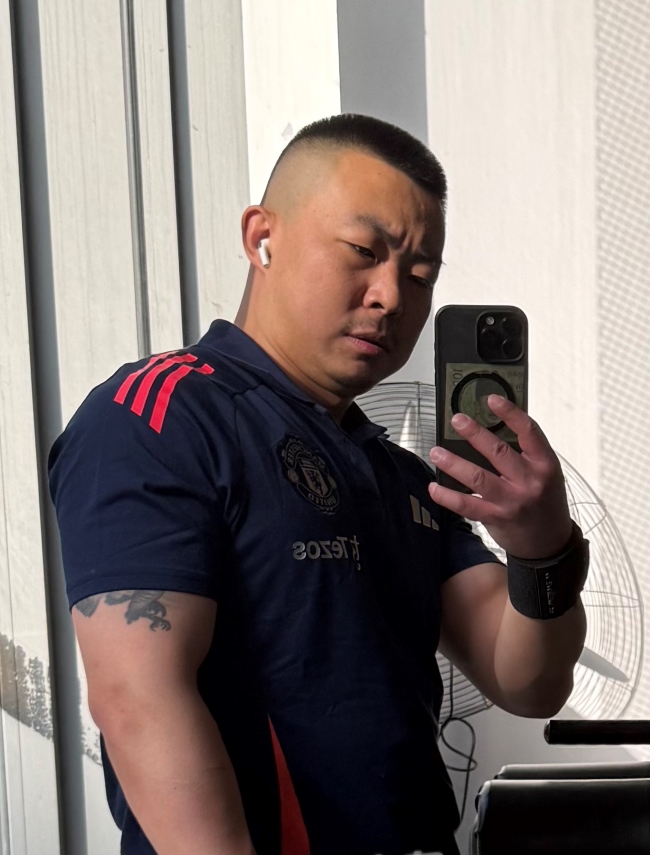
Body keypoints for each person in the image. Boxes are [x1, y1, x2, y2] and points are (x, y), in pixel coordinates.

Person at [48, 114, 588, 855]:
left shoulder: (400, 474)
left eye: (421, 275)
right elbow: (138, 700)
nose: (391, 295)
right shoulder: (159, 416)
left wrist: (542, 547)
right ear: (261, 237)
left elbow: (528, 681)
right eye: (363, 251)